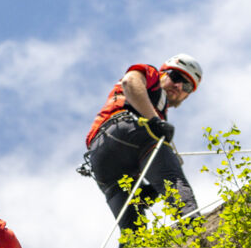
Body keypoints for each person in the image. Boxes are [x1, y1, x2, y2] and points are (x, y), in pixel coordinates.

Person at [82, 55, 203, 232]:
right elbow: (130, 82)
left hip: (100, 157)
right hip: (126, 130)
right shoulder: (151, 76)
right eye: (176, 77)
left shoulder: (158, 112)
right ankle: (196, 231)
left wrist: (150, 187)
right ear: (163, 74)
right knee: (174, 184)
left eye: (186, 86)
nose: (178, 86)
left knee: (133, 229)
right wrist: (154, 120)